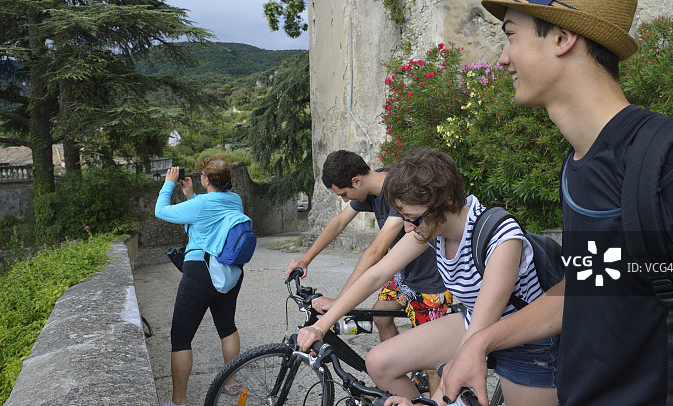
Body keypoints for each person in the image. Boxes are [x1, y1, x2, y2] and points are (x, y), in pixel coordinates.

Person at [439, 0, 673, 406]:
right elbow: (590, 280)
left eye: (510, 36)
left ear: (561, 37)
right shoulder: (579, 165)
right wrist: (481, 341)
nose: (502, 60)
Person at [298, 148, 559, 406]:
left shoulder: (501, 238)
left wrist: (433, 402)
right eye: (403, 218)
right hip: (475, 323)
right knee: (378, 362)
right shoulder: (432, 227)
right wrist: (320, 327)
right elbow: (376, 275)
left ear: (444, 203)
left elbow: (476, 338)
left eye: (413, 219)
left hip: (529, 342)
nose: (408, 227)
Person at [286, 150, 451, 389]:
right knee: (380, 317)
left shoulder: (398, 190)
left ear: (356, 180)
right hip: (403, 272)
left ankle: (430, 388)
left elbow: (375, 252)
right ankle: (401, 381)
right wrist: (306, 259)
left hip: (429, 281)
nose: (344, 200)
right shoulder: (371, 189)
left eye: (344, 194)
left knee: (432, 363)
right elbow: (339, 222)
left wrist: (340, 301)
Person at [155, 156, 252, 406]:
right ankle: (230, 383)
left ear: (206, 179)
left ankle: (178, 403)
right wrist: (190, 195)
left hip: (201, 273)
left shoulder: (202, 204)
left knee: (181, 338)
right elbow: (209, 220)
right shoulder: (235, 200)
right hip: (229, 271)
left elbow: (161, 211)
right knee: (227, 326)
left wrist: (168, 184)